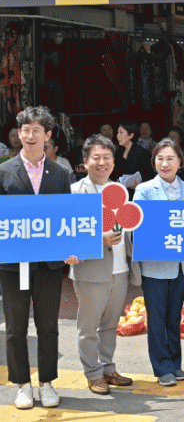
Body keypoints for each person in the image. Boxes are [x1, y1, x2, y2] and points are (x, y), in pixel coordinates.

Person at [0, 106, 79, 409]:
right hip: (12, 263)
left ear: (47, 135)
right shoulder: (4, 171)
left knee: (48, 325)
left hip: (49, 262)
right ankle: (22, 384)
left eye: (36, 131)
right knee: (15, 327)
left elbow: (66, 216)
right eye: (25, 130)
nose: (30, 136)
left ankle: (47, 382)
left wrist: (72, 247)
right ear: (18, 134)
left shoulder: (59, 173)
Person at [69, 134, 139, 395]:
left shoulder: (120, 190)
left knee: (110, 324)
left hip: (119, 268)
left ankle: (108, 368)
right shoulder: (75, 192)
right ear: (85, 161)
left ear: (114, 161)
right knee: (88, 327)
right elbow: (69, 232)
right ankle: (93, 373)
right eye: (96, 158)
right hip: (90, 269)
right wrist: (101, 240)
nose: (101, 163)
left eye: (106, 158)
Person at [134, 138, 184, 386]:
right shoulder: (145, 190)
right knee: (157, 317)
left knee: (174, 315)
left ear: (180, 162)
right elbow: (141, 226)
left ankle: (175, 363)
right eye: (160, 159)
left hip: (183, 265)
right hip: (155, 265)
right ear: (154, 162)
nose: (165, 164)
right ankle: (162, 367)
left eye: (170, 158)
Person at [114, 120, 154, 193]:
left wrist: (139, 185)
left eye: (121, 132)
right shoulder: (118, 153)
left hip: (138, 193)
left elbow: (150, 175)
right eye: (117, 133)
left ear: (131, 135)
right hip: (120, 192)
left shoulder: (142, 153)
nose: (117, 136)